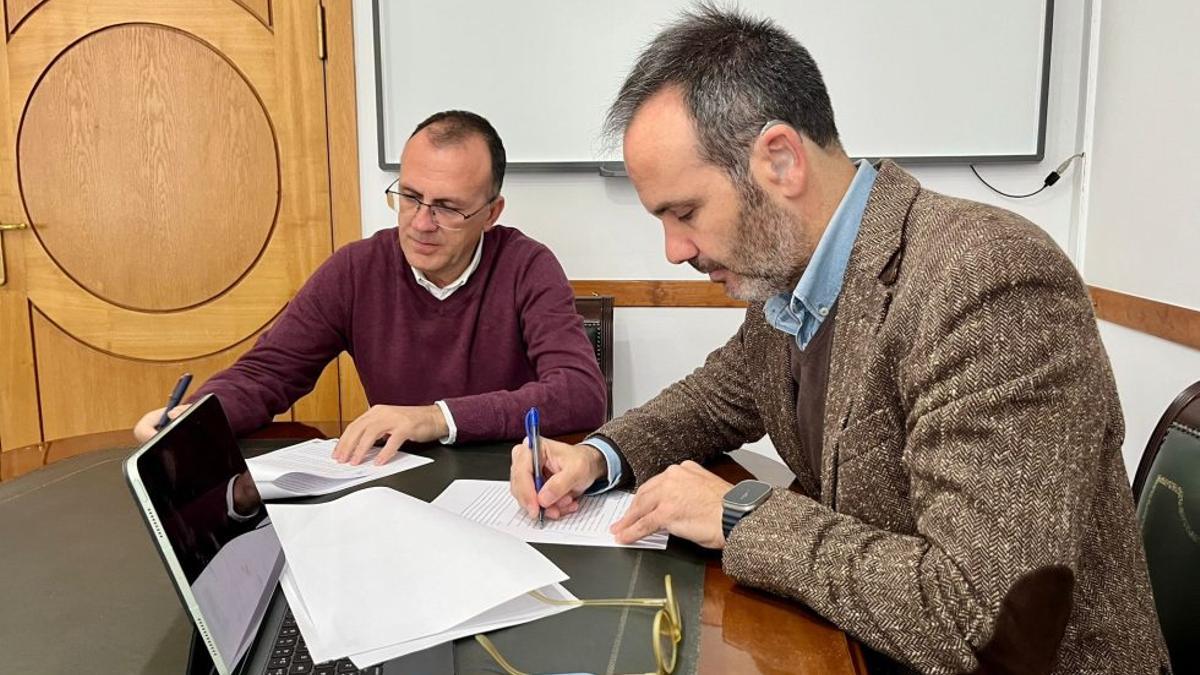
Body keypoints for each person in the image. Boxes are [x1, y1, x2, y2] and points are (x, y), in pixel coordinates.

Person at [509, 7, 1168, 673]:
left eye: (685, 213)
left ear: (780, 159)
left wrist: (742, 512)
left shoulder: (986, 278)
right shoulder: (788, 279)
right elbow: (714, 398)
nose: (675, 249)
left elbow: (980, 616)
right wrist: (598, 456)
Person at [135, 111, 606, 465]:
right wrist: (194, 418)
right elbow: (268, 373)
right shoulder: (356, 269)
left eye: (447, 207)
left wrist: (435, 417)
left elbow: (580, 394)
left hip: (502, 485)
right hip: (395, 483)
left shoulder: (528, 266)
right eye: (410, 197)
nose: (421, 223)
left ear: (491, 213)